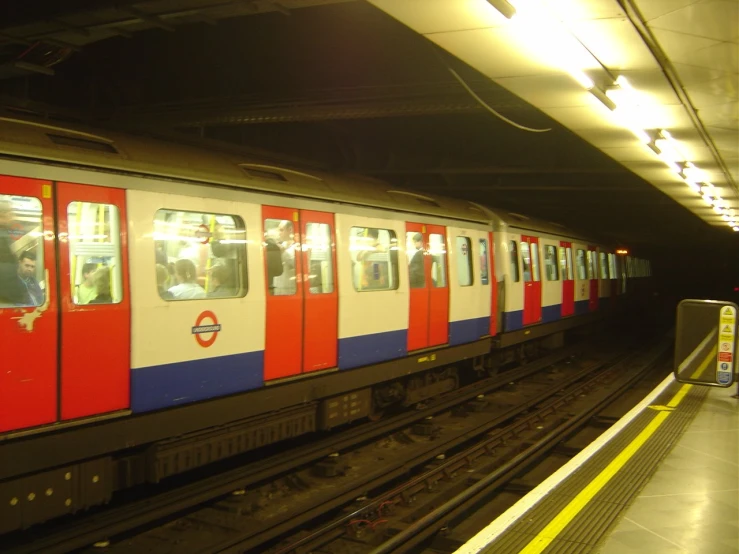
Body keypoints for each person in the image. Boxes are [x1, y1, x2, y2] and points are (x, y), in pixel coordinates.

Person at [0, 197, 26, 306]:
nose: (13, 216)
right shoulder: (2, 236)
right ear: (3, 214)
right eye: (11, 213)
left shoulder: (5, 233)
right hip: (6, 295)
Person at [272, 220, 297, 295]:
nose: (279, 233)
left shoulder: (297, 247)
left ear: (290, 230)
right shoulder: (281, 245)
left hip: (290, 290)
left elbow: (295, 265)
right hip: (278, 288)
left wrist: (283, 252)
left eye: (281, 230)